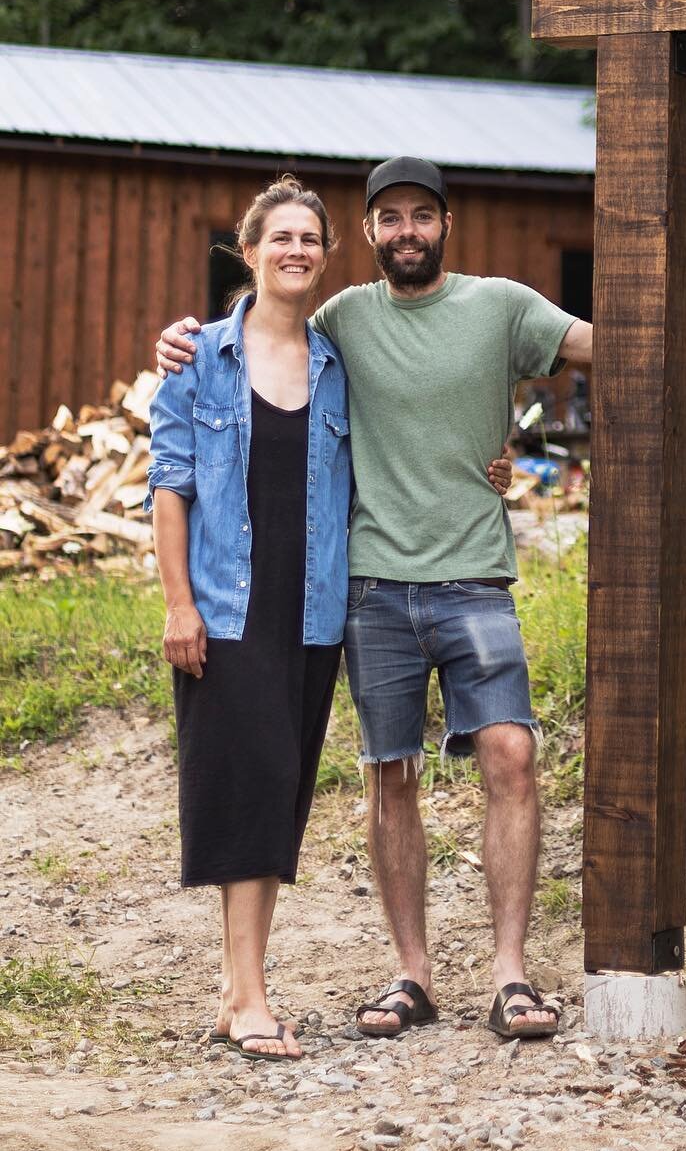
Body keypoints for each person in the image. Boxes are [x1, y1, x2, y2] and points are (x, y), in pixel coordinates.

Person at [157, 157, 592, 1041]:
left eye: (420, 216)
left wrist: (516, 446)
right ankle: (365, 982)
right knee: (368, 778)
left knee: (490, 757)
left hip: (406, 590)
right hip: (323, 595)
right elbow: (191, 446)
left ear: (443, 225)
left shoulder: (436, 323)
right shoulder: (291, 335)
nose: (405, 231)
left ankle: (503, 976)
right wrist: (182, 337)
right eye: (386, 217)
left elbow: (575, 357)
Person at [147, 177, 351, 1061]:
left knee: (280, 792)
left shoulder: (342, 365)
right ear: (250, 250)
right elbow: (170, 486)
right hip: (225, 610)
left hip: (312, 611)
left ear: (325, 253)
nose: (296, 250)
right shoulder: (200, 360)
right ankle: (252, 997)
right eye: (282, 237)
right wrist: (179, 605)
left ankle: (238, 994)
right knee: (247, 789)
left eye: (310, 238)